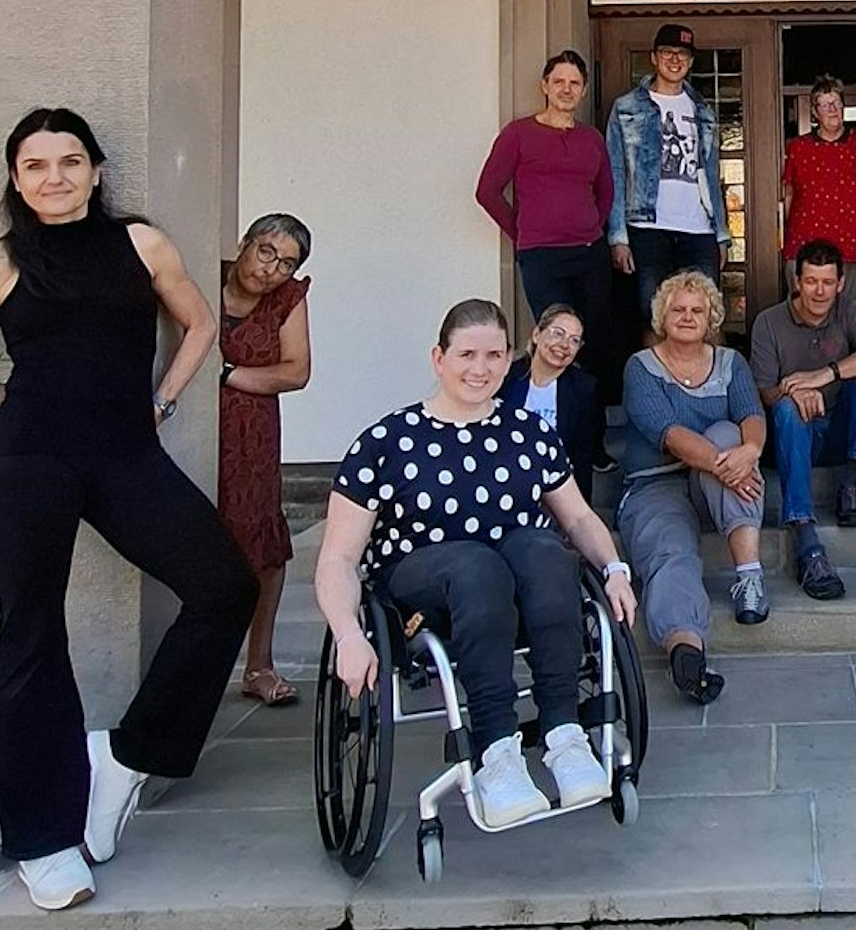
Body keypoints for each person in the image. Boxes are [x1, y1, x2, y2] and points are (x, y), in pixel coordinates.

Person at [0, 108, 258, 911]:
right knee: (30, 635)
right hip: (32, 460)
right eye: (36, 165)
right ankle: (42, 840)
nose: (55, 177)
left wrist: (163, 399)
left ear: (97, 171)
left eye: (71, 161)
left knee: (224, 586)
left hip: (125, 454)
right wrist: (21, 399)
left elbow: (200, 322)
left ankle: (127, 756)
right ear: (15, 179)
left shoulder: (141, 245)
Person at [313, 299, 637, 829]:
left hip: (516, 581)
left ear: (509, 358)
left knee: (544, 550)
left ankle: (563, 734)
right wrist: (348, 633)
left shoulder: (529, 433)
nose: (480, 368)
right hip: (420, 584)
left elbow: (577, 517)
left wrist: (615, 569)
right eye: (466, 354)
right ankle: (496, 752)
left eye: (492, 355)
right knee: (476, 567)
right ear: (438, 358)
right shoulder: (387, 442)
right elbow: (338, 557)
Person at [618, 270, 769, 704]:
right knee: (670, 550)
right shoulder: (641, 367)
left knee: (729, 434)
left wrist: (751, 450)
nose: (687, 316)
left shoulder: (730, 363)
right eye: (678, 309)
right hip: (655, 486)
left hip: (718, 485)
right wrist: (730, 464)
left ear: (712, 318)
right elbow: (666, 432)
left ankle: (749, 577)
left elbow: (750, 414)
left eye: (697, 310)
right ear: (662, 316)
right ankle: (687, 650)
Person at [750, 240, 856, 600]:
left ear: (841, 283)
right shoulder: (769, 322)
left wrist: (826, 375)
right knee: (788, 409)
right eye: (811, 281)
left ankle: (851, 483)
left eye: (827, 282)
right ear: (797, 281)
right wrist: (794, 393)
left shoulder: (849, 311)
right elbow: (763, 394)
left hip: (838, 435)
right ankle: (805, 537)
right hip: (790, 438)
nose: (819, 291)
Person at [218, 212, 314, 708]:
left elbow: (296, 371)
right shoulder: (203, 277)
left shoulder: (288, 298)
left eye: (286, 263)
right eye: (265, 252)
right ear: (245, 244)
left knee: (263, 548)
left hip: (252, 435)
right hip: (191, 428)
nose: (270, 268)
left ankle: (259, 665)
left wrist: (228, 373)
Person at [475, 49, 615, 328]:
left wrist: (590, 227)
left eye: (574, 83)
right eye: (559, 82)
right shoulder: (518, 134)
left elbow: (606, 191)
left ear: (584, 90)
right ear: (545, 86)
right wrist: (523, 231)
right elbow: (487, 191)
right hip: (541, 254)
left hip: (589, 253)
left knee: (594, 336)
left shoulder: (592, 138)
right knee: (556, 335)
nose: (566, 89)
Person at [604, 24, 729, 320]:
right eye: (668, 52)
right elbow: (615, 173)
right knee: (653, 314)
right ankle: (653, 369)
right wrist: (618, 236)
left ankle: (707, 369)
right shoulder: (626, 107)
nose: (675, 59)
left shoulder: (703, 111)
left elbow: (712, 176)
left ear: (691, 61)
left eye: (683, 54)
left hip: (699, 229)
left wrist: (721, 234)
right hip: (647, 228)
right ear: (654, 57)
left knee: (705, 315)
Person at [499, 304, 604, 500]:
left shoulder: (584, 388)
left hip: (555, 491)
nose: (564, 345)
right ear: (537, 335)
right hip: (506, 482)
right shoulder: (505, 378)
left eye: (574, 340)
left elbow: (582, 458)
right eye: (558, 333)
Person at [780, 75, 856, 305]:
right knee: (803, 314)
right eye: (825, 105)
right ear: (815, 112)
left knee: (849, 315)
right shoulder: (799, 147)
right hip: (804, 244)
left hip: (850, 246)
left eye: (837, 103)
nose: (833, 110)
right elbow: (788, 194)